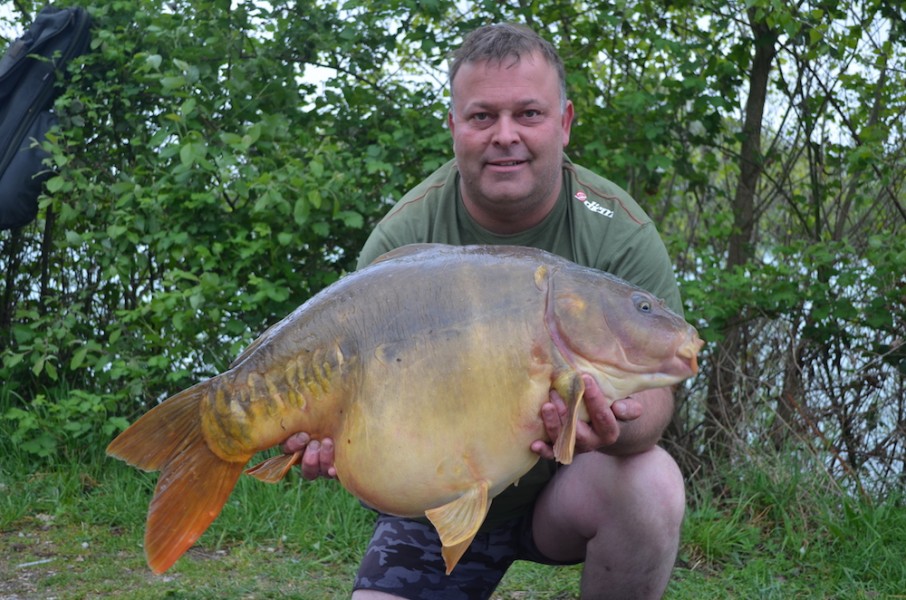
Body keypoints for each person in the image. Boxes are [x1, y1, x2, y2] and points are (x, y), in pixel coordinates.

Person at [282, 23, 686, 600]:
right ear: (453, 128)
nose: (505, 136)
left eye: (528, 114)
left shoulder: (617, 234)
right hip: (433, 501)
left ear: (565, 123)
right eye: (481, 117)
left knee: (653, 484)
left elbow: (658, 399)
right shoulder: (403, 241)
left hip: (563, 492)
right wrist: (332, 440)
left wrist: (616, 424)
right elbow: (358, 414)